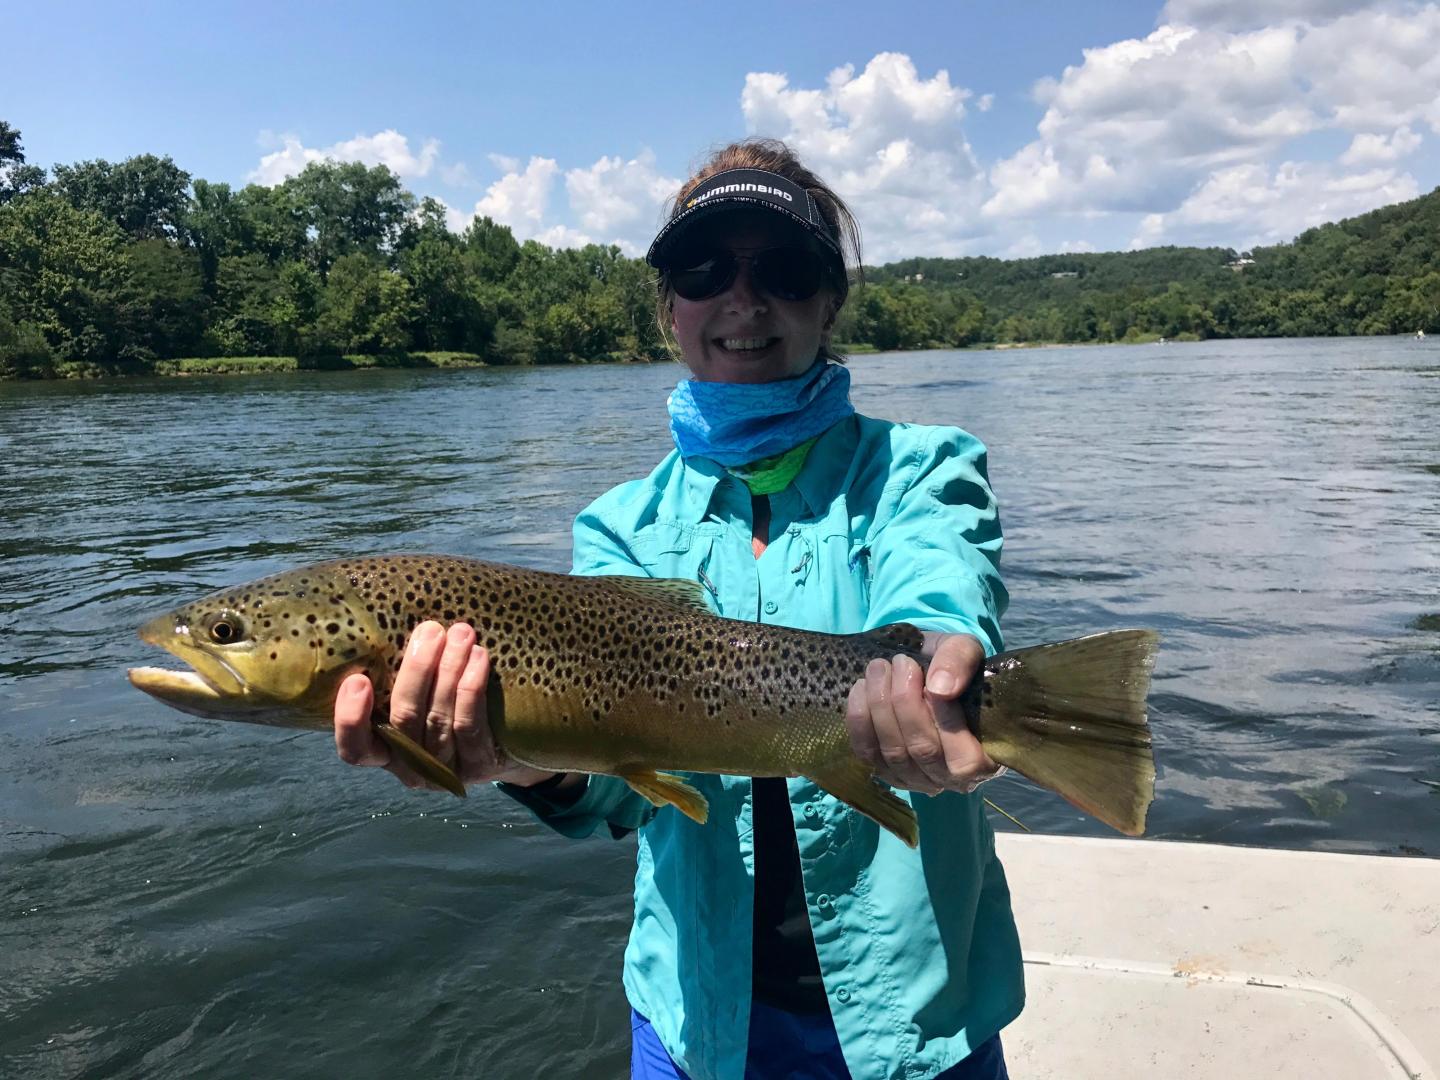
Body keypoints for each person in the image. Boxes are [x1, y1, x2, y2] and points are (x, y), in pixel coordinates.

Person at [333, 138, 1022, 1080]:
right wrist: (525, 765)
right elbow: (622, 787)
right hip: (697, 1021)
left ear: (830, 300)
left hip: (915, 1012)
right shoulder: (618, 529)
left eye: (782, 268)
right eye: (703, 269)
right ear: (669, 307)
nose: (744, 299)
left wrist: (939, 665)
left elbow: (938, 583)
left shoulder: (921, 468)